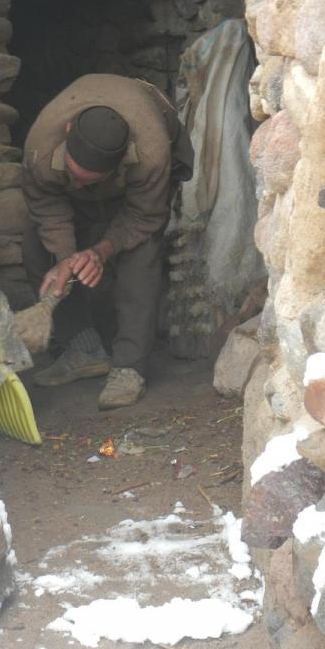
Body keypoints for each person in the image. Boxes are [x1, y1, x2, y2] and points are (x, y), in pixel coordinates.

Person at [21, 73, 193, 409]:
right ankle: (83, 348)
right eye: (74, 175)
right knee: (36, 244)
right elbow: (47, 207)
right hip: (74, 177)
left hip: (141, 182)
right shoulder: (40, 148)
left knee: (141, 255)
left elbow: (144, 217)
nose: (79, 185)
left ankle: (129, 366)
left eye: (88, 180)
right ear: (67, 132)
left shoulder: (151, 153)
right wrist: (66, 258)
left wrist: (101, 251)